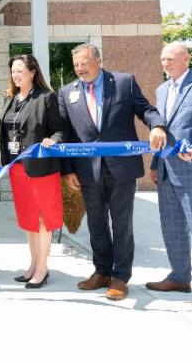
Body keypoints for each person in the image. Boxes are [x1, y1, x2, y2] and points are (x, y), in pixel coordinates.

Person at [58, 43, 166, 301]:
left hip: (121, 168)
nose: (79, 69)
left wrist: (157, 126)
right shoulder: (66, 92)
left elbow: (146, 110)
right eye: (76, 65)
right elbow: (65, 131)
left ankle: (120, 277)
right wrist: (67, 168)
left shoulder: (123, 82)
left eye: (84, 63)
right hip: (87, 169)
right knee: (95, 223)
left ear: (98, 61)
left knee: (121, 223)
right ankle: (102, 271)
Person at [0, 54, 64, 289]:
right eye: (13, 71)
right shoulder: (11, 98)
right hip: (17, 168)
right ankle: (33, 263)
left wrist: (52, 140)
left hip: (41, 169)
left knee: (43, 218)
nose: (15, 75)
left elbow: (60, 130)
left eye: (20, 71)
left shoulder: (46, 97)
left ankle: (42, 268)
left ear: (32, 72)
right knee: (28, 219)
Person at [146, 42, 192, 293]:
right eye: (163, 59)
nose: (165, 64)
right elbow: (160, 130)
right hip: (165, 170)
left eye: (170, 59)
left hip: (190, 168)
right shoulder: (162, 90)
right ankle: (179, 277)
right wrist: (155, 162)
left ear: (186, 58)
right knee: (172, 225)